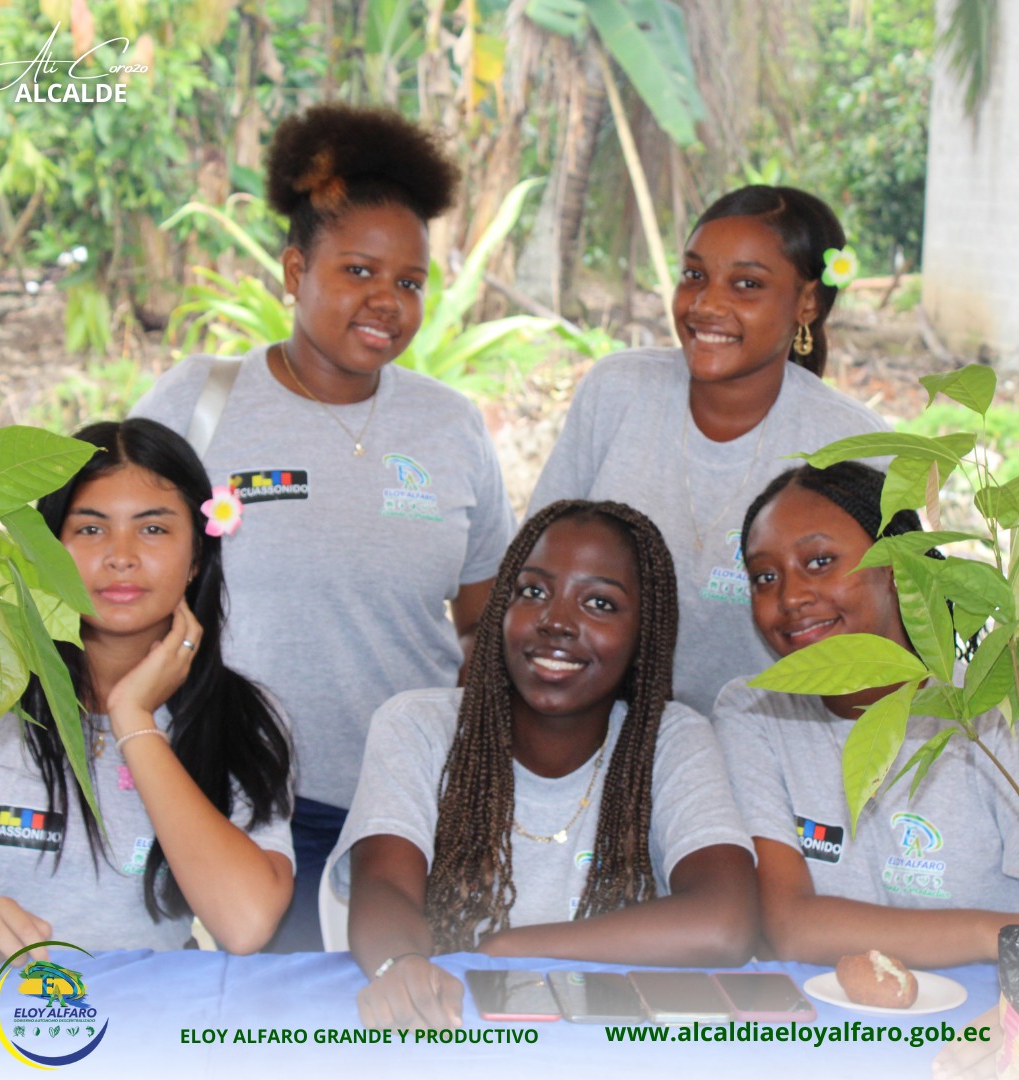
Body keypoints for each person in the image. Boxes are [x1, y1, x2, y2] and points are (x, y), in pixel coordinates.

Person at [131, 103, 517, 950]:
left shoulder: (450, 426)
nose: (387, 301)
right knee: (273, 1013)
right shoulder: (201, 402)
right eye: (358, 271)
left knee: (412, 1007)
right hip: (242, 802)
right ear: (295, 270)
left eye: (409, 282)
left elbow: (486, 619)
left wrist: (468, 761)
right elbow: (110, 571)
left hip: (413, 809)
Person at [326, 499, 757, 1027]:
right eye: (532, 592)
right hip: (460, 1029)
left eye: (599, 603)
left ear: (644, 633)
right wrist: (401, 963)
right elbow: (383, 887)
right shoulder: (416, 726)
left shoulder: (670, 739)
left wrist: (506, 949)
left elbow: (725, 924)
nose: (556, 621)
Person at [0, 419, 294, 969]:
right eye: (90, 529)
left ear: (196, 558)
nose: (121, 556)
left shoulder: (240, 717)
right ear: (44, 551)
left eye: (152, 529)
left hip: (145, 1019)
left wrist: (134, 719)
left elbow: (245, 922)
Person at [529, 185, 890, 716]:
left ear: (807, 302)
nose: (706, 304)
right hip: (607, 733)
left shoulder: (852, 442)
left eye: (747, 284)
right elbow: (533, 565)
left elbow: (895, 632)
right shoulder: (618, 391)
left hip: (775, 746)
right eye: (694, 275)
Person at [713, 461, 1019, 968]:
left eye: (820, 561)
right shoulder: (754, 714)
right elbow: (790, 925)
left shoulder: (992, 705)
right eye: (765, 576)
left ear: (897, 568)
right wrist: (999, 934)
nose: (790, 596)